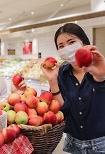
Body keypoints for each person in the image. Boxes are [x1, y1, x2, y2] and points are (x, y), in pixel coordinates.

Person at [41, 23, 105, 154]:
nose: (67, 49)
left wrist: (101, 77)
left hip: (101, 144)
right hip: (73, 144)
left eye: (71, 42)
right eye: (61, 46)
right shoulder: (61, 73)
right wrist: (53, 81)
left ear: (84, 42)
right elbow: (63, 111)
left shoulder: (99, 68)